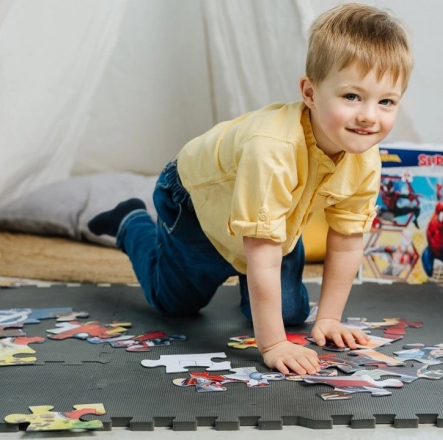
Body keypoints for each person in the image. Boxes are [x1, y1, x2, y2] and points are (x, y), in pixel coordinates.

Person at [88, 3, 413, 375]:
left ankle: (255, 292)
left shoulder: (364, 156)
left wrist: (329, 319)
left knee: (291, 313)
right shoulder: (272, 149)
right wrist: (272, 344)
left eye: (386, 101)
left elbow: (348, 238)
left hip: (273, 218)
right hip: (198, 205)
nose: (369, 116)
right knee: (175, 304)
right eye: (352, 96)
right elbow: (261, 253)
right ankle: (131, 221)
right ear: (309, 92)